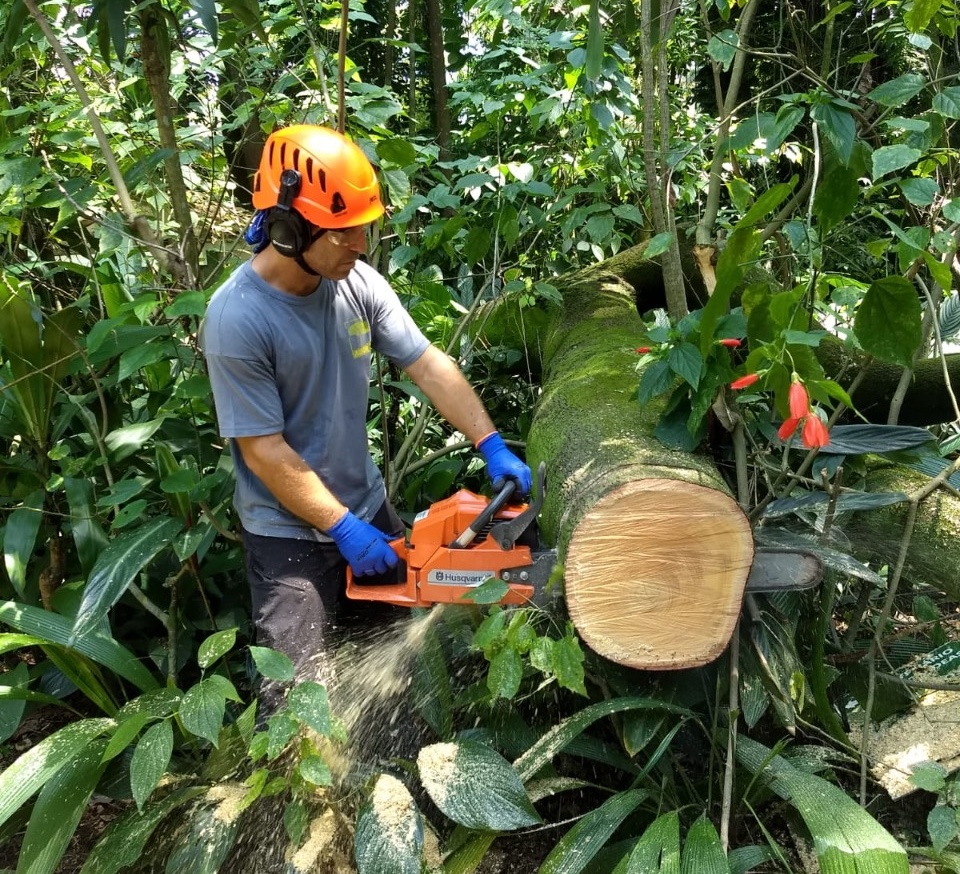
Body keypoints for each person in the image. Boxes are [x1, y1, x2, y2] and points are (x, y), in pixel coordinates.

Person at [199, 124, 531, 713]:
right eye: (345, 231)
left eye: (364, 227)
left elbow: (427, 364)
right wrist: (341, 528)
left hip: (368, 509)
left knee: (398, 679)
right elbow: (264, 452)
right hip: (289, 539)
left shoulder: (355, 282)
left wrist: (490, 442)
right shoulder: (236, 319)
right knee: (301, 703)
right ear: (288, 229)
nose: (360, 243)